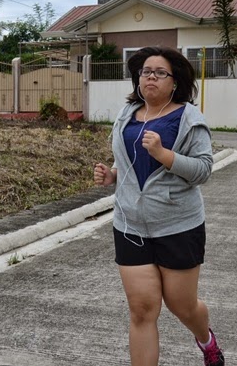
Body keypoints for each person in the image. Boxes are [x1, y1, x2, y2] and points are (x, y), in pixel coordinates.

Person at [94, 46, 224, 366]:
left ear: (174, 81)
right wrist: (112, 175)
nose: (151, 77)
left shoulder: (189, 118)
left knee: (182, 306)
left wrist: (164, 155)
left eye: (160, 72)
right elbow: (127, 161)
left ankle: (206, 340)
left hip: (177, 225)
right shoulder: (127, 115)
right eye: (145, 72)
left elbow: (203, 170)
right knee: (141, 310)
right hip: (130, 224)